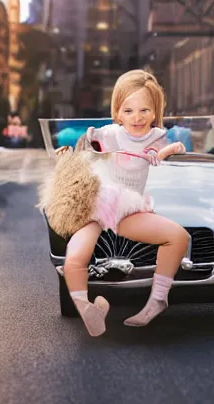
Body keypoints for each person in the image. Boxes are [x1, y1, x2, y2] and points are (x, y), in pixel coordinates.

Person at [57, 69, 190, 336]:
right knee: (74, 258)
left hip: (128, 208)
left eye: (144, 110)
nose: (137, 118)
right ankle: (86, 308)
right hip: (98, 204)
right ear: (117, 112)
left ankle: (158, 299)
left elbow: (159, 151)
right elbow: (85, 146)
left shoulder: (156, 136)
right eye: (128, 111)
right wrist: (68, 152)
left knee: (179, 237)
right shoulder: (109, 134)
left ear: (155, 112)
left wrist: (172, 149)